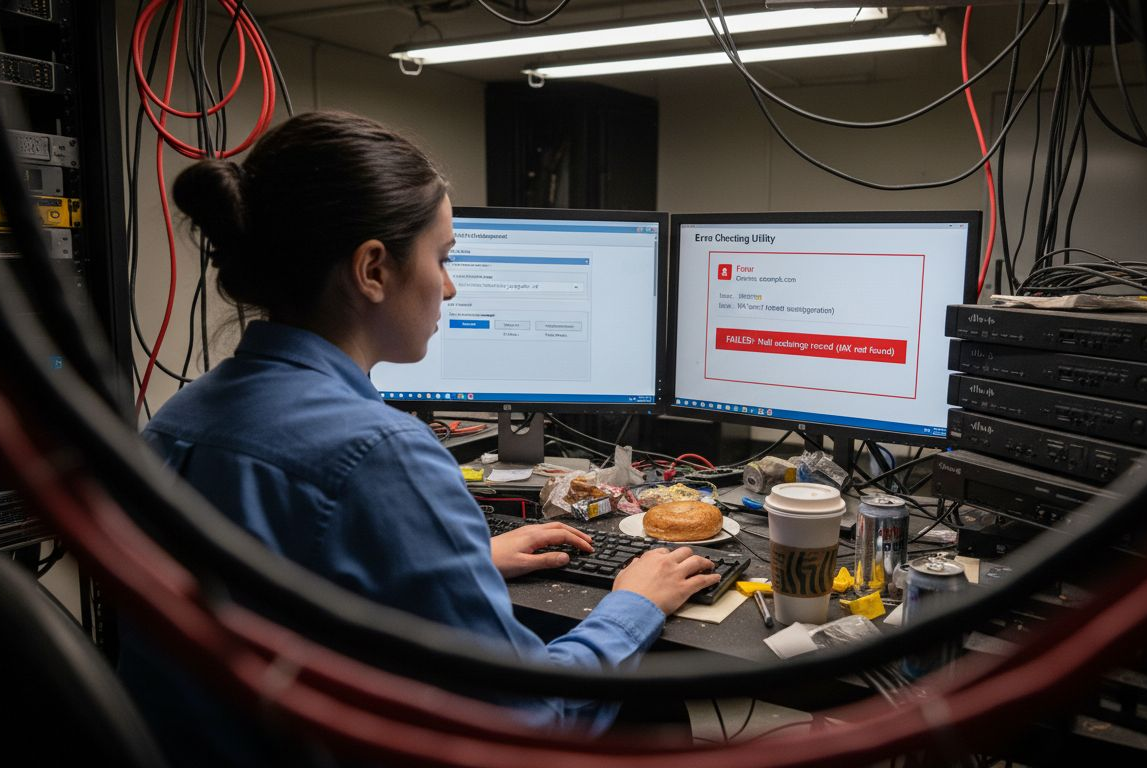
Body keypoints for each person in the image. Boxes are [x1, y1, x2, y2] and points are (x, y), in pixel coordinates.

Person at [117, 111, 719, 765]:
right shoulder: (381, 455)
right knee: (662, 716)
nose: (451, 287)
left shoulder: (174, 423)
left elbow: (279, 595)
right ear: (373, 269)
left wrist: (465, 562)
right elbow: (533, 723)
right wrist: (633, 604)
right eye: (444, 257)